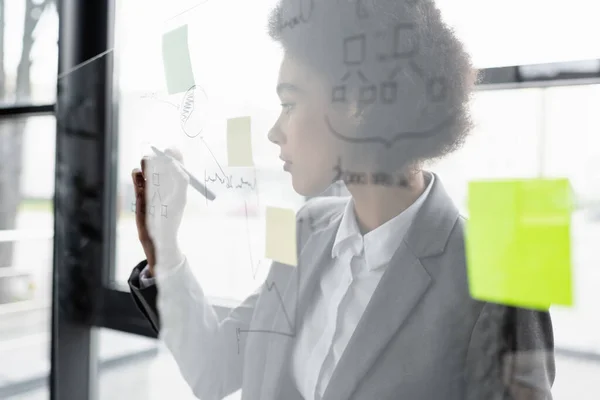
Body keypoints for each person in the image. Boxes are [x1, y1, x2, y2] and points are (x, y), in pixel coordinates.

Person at [128, 0, 555, 399]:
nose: (275, 131)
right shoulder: (307, 230)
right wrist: (163, 247)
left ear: (359, 102)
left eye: (290, 103)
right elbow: (216, 367)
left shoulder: (498, 283)